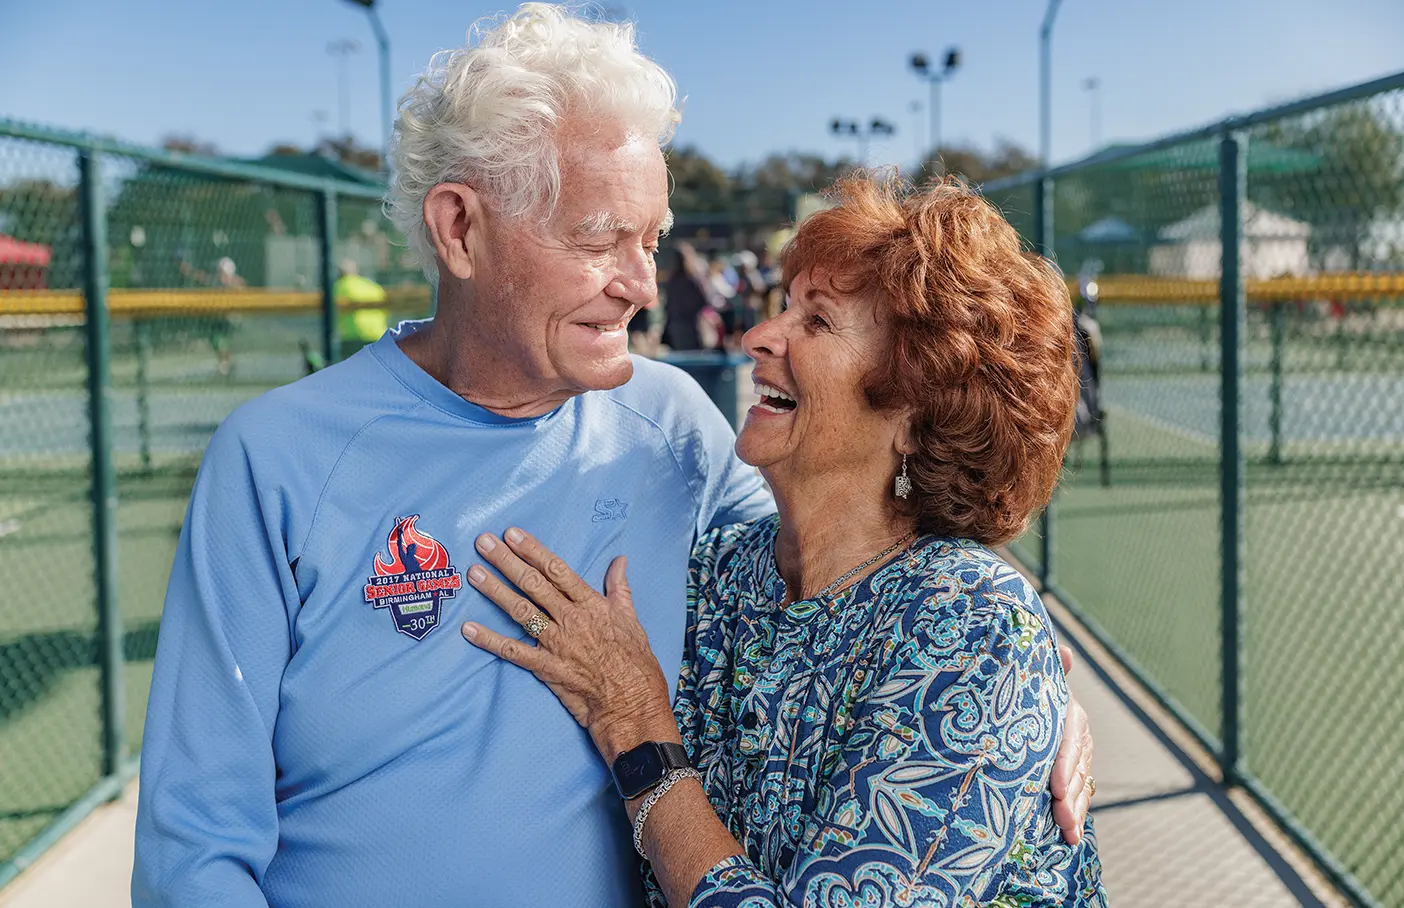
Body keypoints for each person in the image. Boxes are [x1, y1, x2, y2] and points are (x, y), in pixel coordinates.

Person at [132, 6, 1093, 906]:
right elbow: (196, 844)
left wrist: (1024, 681)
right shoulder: (278, 460)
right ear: (459, 228)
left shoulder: (672, 426)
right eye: (600, 240)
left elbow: (871, 570)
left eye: (653, 239)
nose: (640, 283)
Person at [461, 175, 1107, 906]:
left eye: (818, 322)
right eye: (785, 308)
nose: (759, 336)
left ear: (916, 411)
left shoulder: (972, 620)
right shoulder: (722, 572)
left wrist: (636, 729)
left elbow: (631, 716)